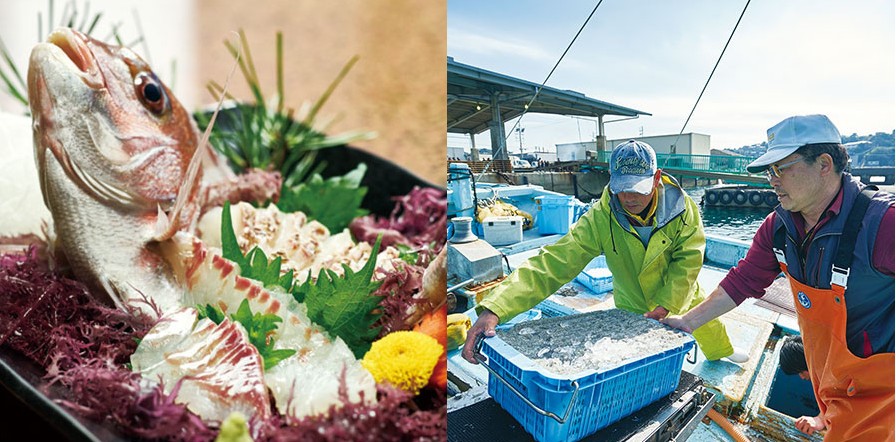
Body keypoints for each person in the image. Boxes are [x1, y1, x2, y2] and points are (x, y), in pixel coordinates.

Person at [661, 114, 894, 441]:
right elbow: (743, 281)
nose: (772, 179)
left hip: (878, 396)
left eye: (781, 168)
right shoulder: (777, 228)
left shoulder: (884, 224)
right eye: (769, 171)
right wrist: (687, 322)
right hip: (827, 384)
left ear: (824, 164)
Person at [461, 140, 745, 365]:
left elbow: (689, 259)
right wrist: (496, 308)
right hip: (631, 300)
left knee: (706, 323)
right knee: (639, 354)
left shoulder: (684, 209)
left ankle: (722, 351)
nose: (630, 197)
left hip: (679, 292)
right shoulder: (600, 216)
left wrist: (667, 302)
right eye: (622, 188)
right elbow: (555, 261)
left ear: (657, 178)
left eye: (638, 188)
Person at [779, 335, 826, 436]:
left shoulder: (836, 374)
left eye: (801, 371)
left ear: (808, 362)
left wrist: (820, 420)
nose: (802, 377)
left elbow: (846, 402)